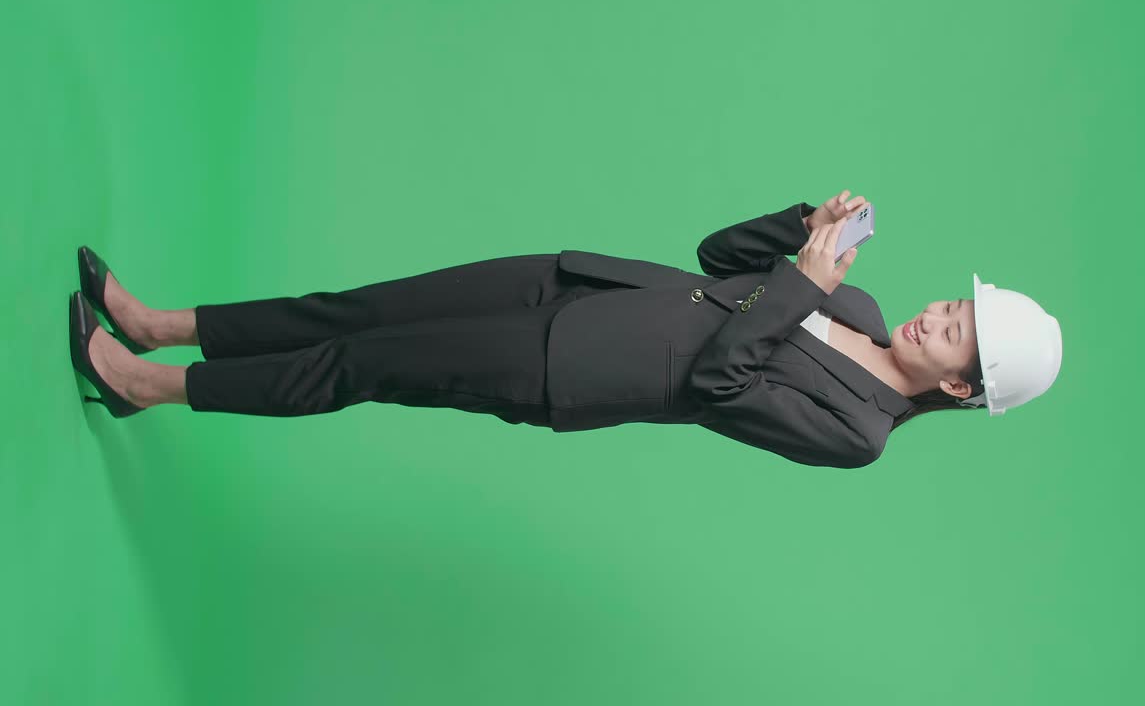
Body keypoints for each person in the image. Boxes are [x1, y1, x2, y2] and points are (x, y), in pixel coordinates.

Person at [69, 191, 1063, 469]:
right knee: (357, 309)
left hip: (564, 367)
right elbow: (718, 259)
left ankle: (144, 384)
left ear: (959, 389)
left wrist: (797, 288)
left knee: (357, 363)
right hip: (578, 284)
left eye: (957, 334)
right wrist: (798, 231)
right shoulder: (854, 304)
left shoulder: (858, 435)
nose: (938, 314)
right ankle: (158, 326)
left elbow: (718, 385)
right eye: (955, 306)